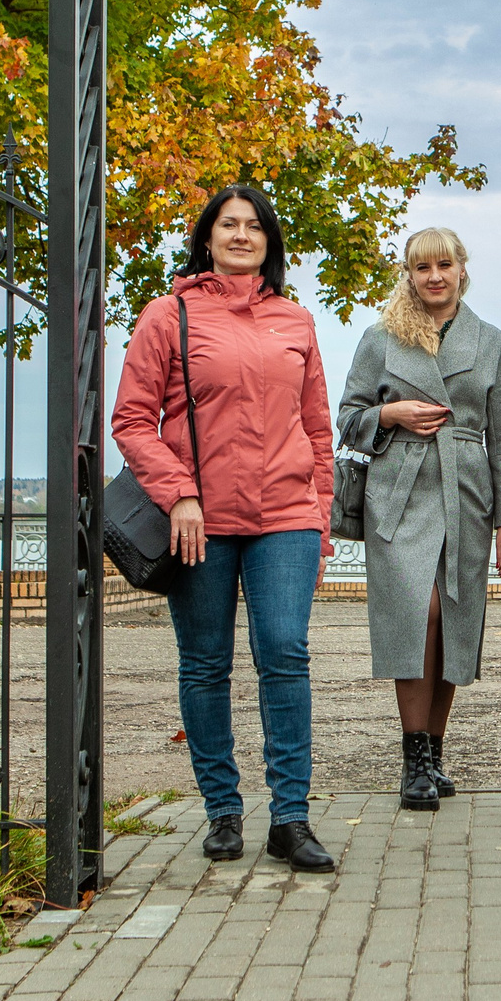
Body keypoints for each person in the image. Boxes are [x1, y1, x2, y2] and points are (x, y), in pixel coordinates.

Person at [110, 182, 338, 873]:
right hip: (199, 523)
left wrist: (320, 519)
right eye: (227, 224)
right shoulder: (167, 314)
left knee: (285, 654)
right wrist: (179, 493)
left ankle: (290, 818)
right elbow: (130, 421)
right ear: (206, 238)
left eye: (254, 226)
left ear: (269, 242)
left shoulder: (296, 320)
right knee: (206, 663)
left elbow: (318, 429)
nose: (241, 235)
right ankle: (222, 810)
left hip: (286, 518)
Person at [336, 228, 501, 812]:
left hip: (466, 494)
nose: (434, 277)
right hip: (399, 493)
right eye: (422, 268)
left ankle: (434, 754)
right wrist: (389, 413)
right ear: (409, 275)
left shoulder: (492, 343)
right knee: (419, 616)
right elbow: (345, 418)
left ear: (463, 269)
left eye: (444, 265)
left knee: (452, 624)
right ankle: (412, 755)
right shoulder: (380, 338)